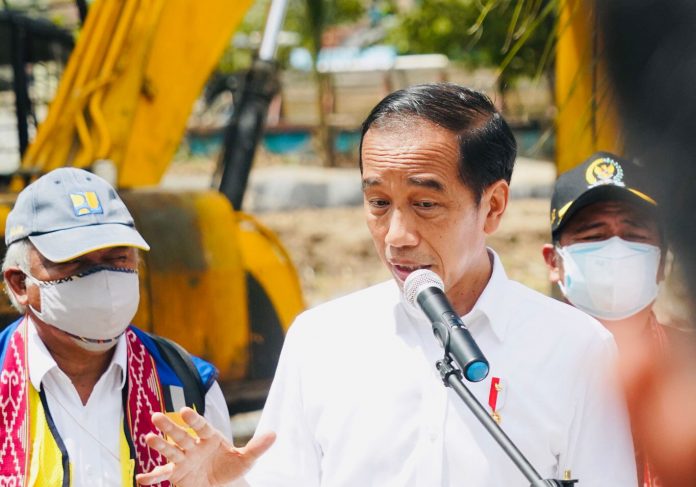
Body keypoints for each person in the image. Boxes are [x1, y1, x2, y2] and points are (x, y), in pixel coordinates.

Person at [138, 83, 637, 486]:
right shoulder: (321, 340)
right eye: (378, 204)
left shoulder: (577, 348)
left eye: (425, 204)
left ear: (494, 206)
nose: (396, 237)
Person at [0, 167, 235, 486]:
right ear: (19, 284)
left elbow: (222, 477)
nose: (104, 281)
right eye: (75, 262)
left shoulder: (187, 383)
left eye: (118, 258)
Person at [541, 151, 687, 486]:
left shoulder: (687, 369)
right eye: (593, 236)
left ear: (662, 263)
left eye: (634, 235)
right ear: (554, 262)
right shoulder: (521, 368)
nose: (615, 249)